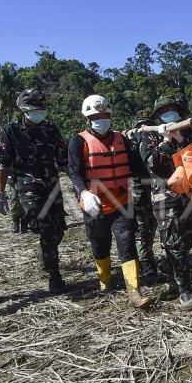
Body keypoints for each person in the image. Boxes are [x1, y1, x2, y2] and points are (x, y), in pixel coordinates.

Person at [67, 95, 152, 308]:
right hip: (94, 205)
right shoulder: (78, 142)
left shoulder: (122, 139)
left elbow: (139, 168)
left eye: (104, 115)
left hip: (122, 201)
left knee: (127, 242)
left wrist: (155, 185)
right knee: (99, 244)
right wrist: (84, 193)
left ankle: (135, 292)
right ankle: (105, 280)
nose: (101, 119)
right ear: (86, 119)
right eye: (95, 116)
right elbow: (75, 172)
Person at [0, 89, 68, 293]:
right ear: (24, 109)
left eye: (42, 108)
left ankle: (46, 254)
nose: (39, 112)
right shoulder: (11, 131)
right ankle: (54, 276)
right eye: (35, 108)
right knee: (45, 227)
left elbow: (63, 159)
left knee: (59, 228)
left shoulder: (51, 129)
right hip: (28, 187)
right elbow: (3, 163)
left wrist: (80, 187)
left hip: (52, 184)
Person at [146, 94, 192, 310]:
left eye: (171, 109)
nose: (168, 114)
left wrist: (182, 141)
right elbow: (154, 165)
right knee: (174, 242)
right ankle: (184, 289)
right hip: (167, 196)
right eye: (163, 111)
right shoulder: (152, 135)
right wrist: (167, 141)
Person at [126, 108, 161, 283]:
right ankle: (146, 264)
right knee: (141, 228)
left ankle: (149, 260)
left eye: (149, 125)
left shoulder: (159, 138)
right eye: (142, 125)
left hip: (155, 188)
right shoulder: (130, 141)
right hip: (138, 190)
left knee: (152, 225)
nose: (146, 128)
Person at [0, 142, 26, 233]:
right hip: (9, 178)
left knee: (26, 200)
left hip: (24, 177)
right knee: (14, 200)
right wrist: (2, 175)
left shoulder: (24, 140)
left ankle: (25, 222)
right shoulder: (0, 146)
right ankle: (15, 220)